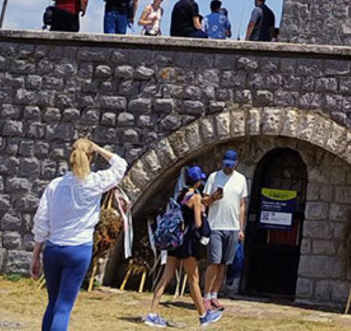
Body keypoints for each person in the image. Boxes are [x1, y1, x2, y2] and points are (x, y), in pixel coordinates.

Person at [30, 137, 127, 331]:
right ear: (90, 158)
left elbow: (42, 220)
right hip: (79, 248)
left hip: (54, 248)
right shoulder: (95, 182)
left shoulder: (55, 185)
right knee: (64, 307)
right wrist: (98, 147)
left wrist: (36, 255)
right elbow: (120, 165)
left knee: (53, 302)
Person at [144, 165, 220, 326]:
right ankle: (203, 315)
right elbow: (198, 223)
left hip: (175, 240)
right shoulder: (196, 197)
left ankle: (152, 312)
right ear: (198, 182)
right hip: (187, 242)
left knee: (166, 276)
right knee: (193, 278)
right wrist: (202, 213)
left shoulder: (181, 195)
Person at [202, 148, 248, 312]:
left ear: (236, 164)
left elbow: (241, 204)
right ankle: (206, 296)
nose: (228, 167)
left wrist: (241, 228)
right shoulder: (214, 177)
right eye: (226, 164)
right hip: (215, 225)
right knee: (214, 262)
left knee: (223, 263)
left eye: (231, 165)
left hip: (232, 227)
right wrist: (213, 197)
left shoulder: (241, 179)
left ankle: (215, 295)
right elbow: (204, 201)